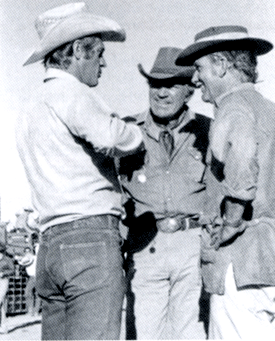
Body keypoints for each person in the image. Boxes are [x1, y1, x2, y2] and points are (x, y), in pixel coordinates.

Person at [16, 2, 143, 340]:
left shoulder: (31, 105)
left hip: (50, 245)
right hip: (89, 240)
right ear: (75, 51)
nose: (103, 62)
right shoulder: (71, 92)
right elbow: (112, 136)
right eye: (98, 52)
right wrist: (136, 134)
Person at [177, 25, 275, 339]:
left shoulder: (232, 109)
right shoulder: (269, 111)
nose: (194, 79)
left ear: (220, 65)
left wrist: (231, 222)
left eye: (199, 68)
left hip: (241, 260)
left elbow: (243, 165)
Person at [119, 47, 210, 339]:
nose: (161, 92)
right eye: (155, 84)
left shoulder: (208, 131)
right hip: (146, 247)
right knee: (145, 334)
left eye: (171, 85)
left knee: (193, 334)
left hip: (194, 247)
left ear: (189, 91)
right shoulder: (124, 132)